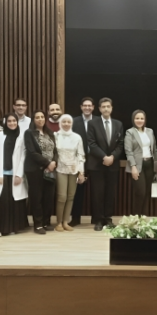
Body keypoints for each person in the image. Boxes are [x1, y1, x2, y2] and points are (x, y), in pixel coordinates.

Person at [0, 113, 28, 237]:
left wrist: (19, 174)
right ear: (5, 123)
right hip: (1, 174)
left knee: (13, 202)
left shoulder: (21, 136)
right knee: (1, 201)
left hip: (15, 174)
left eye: (14, 121)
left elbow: (23, 157)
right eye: (9, 121)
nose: (12, 123)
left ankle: (12, 228)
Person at [86, 97, 124, 231]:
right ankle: (99, 220)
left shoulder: (118, 124)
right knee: (98, 193)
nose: (106, 109)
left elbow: (120, 144)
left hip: (112, 164)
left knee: (109, 193)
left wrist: (112, 156)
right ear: (99, 109)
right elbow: (91, 143)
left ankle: (108, 219)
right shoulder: (92, 123)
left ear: (112, 108)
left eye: (108, 106)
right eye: (103, 107)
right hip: (97, 164)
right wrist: (104, 157)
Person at [24, 110, 58, 234]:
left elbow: (55, 150)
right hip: (35, 170)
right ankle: (38, 224)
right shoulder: (29, 133)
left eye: (42, 117)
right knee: (36, 197)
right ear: (33, 120)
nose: (40, 119)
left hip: (50, 170)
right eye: (37, 117)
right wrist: (47, 163)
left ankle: (46, 222)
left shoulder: (50, 133)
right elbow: (32, 152)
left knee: (48, 197)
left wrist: (53, 162)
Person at [125, 109, 157, 216]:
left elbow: (155, 150)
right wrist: (133, 167)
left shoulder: (150, 131)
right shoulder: (130, 132)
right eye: (137, 118)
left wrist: (156, 167)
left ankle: (143, 218)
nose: (139, 120)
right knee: (140, 193)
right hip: (137, 165)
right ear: (133, 119)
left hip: (149, 164)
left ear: (145, 120)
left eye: (142, 118)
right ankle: (136, 218)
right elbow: (128, 151)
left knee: (147, 193)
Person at [54, 114, 85, 232]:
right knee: (62, 196)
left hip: (74, 169)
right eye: (64, 122)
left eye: (68, 122)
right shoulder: (55, 136)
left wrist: (81, 172)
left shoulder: (77, 137)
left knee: (71, 196)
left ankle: (66, 221)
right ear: (60, 123)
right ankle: (59, 222)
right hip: (60, 169)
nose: (66, 124)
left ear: (72, 123)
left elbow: (80, 155)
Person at [70, 97, 94, 227]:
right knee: (77, 191)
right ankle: (75, 218)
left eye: (90, 106)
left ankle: (96, 218)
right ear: (81, 107)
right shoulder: (74, 122)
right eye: (85, 105)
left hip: (95, 160)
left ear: (93, 107)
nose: (87, 108)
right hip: (79, 160)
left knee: (96, 191)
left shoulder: (97, 121)